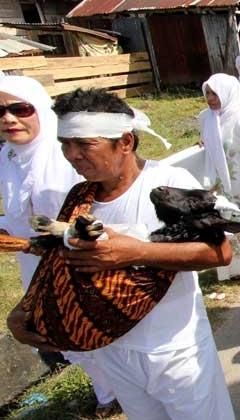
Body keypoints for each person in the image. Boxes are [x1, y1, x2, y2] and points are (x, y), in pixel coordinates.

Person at [8, 88, 235, 419]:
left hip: (175, 351)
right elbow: (57, 262)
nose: (72, 155)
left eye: (85, 144)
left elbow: (220, 252)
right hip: (113, 351)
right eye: (65, 144)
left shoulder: (169, 183)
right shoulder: (79, 197)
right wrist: (23, 311)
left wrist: (136, 252)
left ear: (125, 142)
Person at [0, 77, 119, 417]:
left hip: (76, 260)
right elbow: (18, 215)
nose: (10, 119)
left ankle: (119, 388)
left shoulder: (66, 156)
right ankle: (107, 389)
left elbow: (89, 213)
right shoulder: (8, 157)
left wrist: (50, 241)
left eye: (20, 109)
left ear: (39, 110)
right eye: (1, 111)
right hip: (33, 264)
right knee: (62, 331)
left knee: (89, 325)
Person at [200, 74, 240, 284]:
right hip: (221, 185)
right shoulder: (207, 119)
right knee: (226, 225)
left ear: (227, 93)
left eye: (215, 93)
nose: (210, 98)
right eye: (207, 93)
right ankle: (231, 269)